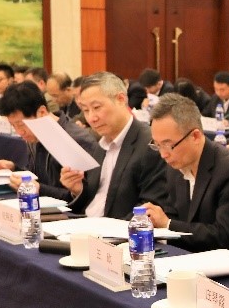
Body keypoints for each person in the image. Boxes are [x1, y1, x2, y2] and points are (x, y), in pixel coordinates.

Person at [142, 95, 229, 253]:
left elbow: (223, 236)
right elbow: (173, 214)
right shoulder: (175, 166)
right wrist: (154, 221)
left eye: (168, 145)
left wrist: (167, 224)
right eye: (157, 145)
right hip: (190, 256)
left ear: (195, 136)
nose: (163, 154)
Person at [59, 72, 168, 219]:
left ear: (120, 99)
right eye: (85, 110)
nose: (91, 118)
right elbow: (97, 199)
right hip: (85, 224)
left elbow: (149, 209)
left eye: (97, 107)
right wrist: (78, 190)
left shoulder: (150, 145)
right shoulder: (99, 145)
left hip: (118, 230)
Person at [0, 83, 98, 202]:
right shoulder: (34, 136)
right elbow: (37, 177)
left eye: (21, 124)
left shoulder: (76, 140)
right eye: (13, 126)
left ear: (42, 112)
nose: (19, 132)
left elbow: (86, 196)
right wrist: (13, 169)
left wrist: (40, 189)